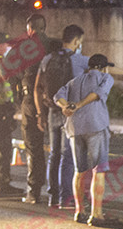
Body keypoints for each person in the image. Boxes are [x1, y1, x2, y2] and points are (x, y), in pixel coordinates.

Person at [54, 54, 115, 227]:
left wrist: (66, 106)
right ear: (103, 68)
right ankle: (96, 214)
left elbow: (57, 95)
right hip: (96, 126)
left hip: (74, 129)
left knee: (79, 171)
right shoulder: (106, 77)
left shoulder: (74, 81)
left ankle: (79, 211)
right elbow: (98, 94)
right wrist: (79, 105)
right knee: (99, 170)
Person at [34, 24, 88, 209]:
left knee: (54, 154)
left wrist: (40, 112)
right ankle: (66, 198)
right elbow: (100, 70)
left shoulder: (48, 59)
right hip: (69, 112)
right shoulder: (80, 60)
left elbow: (38, 87)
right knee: (67, 155)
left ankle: (53, 197)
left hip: (51, 111)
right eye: (80, 41)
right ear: (76, 41)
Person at [6, 14, 51, 204]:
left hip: (31, 101)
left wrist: (17, 94)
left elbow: (7, 69)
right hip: (55, 100)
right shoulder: (55, 45)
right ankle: (60, 192)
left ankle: (33, 192)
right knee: (61, 148)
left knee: (33, 147)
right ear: (44, 28)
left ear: (29, 29)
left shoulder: (22, 48)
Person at [0, 32, 24, 196]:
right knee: (2, 148)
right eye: (6, 45)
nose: (9, 47)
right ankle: (4, 184)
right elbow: (3, 83)